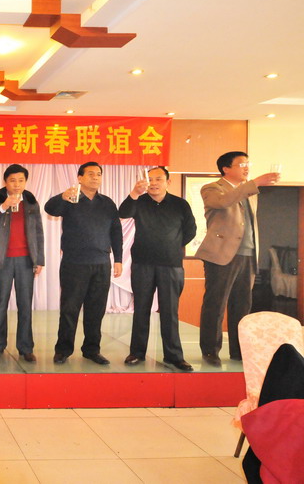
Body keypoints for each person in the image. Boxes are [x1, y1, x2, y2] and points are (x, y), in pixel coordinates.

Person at [196, 151, 279, 366]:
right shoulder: (212, 189)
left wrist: (252, 186)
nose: (246, 167)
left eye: (248, 164)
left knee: (242, 305)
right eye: (241, 164)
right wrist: (254, 183)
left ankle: (239, 350)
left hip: (248, 254)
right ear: (226, 168)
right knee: (216, 304)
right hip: (221, 255)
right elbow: (223, 202)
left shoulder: (249, 192)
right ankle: (210, 350)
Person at [44, 161, 123, 366]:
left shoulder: (107, 203)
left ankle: (91, 350)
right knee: (69, 309)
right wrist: (62, 196)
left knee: (96, 310)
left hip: (101, 263)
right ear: (80, 178)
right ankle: (63, 350)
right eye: (90, 174)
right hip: (74, 263)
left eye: (98, 174)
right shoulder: (71, 198)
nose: (95, 177)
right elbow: (50, 208)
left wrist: (119, 259)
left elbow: (116, 232)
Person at [119, 167, 196, 372]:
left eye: (158, 179)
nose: (153, 183)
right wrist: (134, 193)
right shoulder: (140, 201)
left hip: (171, 264)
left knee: (170, 311)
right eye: (150, 179)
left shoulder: (180, 204)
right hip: (142, 263)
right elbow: (123, 212)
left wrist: (172, 245)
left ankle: (174, 356)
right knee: (141, 309)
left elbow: (191, 230)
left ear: (168, 182)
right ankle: (137, 353)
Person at [0, 164, 45, 362]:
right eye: (13, 180)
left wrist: (39, 259)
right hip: (3, 260)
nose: (17, 185)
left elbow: (38, 232)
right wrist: (4, 206)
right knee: (0, 304)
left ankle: (26, 348)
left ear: (26, 182)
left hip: (26, 260)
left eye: (21, 180)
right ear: (5, 182)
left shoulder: (31, 202)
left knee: (25, 305)